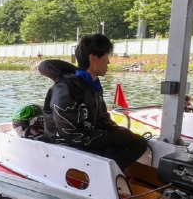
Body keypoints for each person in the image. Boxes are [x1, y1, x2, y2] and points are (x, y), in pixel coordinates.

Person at [42, 34, 148, 172]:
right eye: (106, 57)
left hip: (86, 141)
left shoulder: (93, 86)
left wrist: (125, 134)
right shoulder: (66, 89)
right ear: (93, 58)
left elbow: (103, 120)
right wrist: (117, 138)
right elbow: (73, 136)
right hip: (64, 148)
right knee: (132, 146)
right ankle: (101, 178)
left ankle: (113, 177)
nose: (109, 62)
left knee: (139, 142)